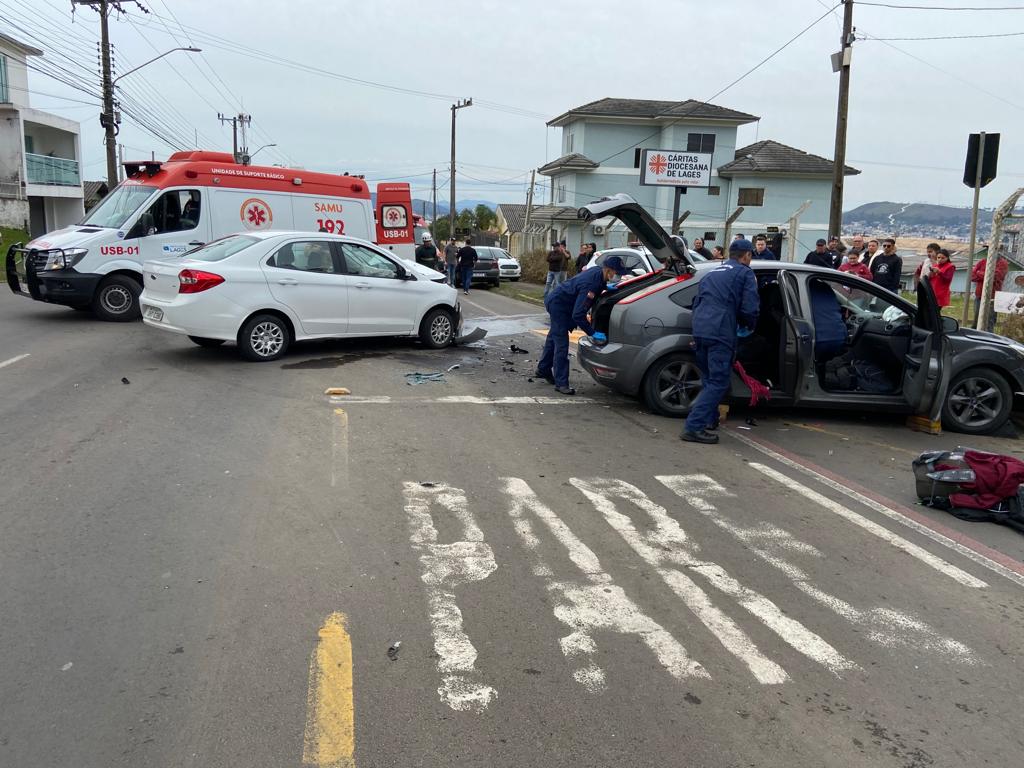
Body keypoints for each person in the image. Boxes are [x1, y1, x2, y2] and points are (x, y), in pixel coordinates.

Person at [680, 238, 759, 445]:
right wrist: (749, 325)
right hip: (720, 331)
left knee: (708, 378)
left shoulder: (711, 273)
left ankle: (709, 420)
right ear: (747, 255)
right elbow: (750, 308)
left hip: (700, 329)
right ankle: (693, 427)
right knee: (718, 382)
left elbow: (698, 301)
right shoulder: (745, 273)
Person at [536, 255, 631, 395]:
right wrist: (592, 332)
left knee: (554, 336)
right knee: (561, 344)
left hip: (562, 301)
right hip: (559, 305)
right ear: (608, 270)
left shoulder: (598, 273)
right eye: (617, 273)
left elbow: (596, 284)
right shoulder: (591, 284)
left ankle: (543, 369)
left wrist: (605, 287)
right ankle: (561, 383)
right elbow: (578, 315)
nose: (618, 276)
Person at [970, 251, 1009, 332]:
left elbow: (996, 277)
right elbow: (972, 276)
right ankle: (975, 336)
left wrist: (979, 273)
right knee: (976, 319)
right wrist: (986, 275)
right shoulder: (982, 261)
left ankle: (989, 337)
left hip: (992, 297)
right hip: (979, 295)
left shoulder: (1002, 263)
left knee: (989, 321)